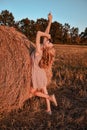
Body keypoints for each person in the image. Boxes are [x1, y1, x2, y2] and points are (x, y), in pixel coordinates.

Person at [30, 13, 57, 115]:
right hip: (41, 73)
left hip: (36, 74)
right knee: (44, 89)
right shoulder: (42, 48)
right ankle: (49, 110)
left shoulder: (38, 51)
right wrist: (50, 21)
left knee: (32, 92)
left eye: (49, 42)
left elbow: (38, 33)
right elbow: (46, 32)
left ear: (46, 47)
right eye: (49, 41)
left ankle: (50, 97)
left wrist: (46, 35)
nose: (48, 41)